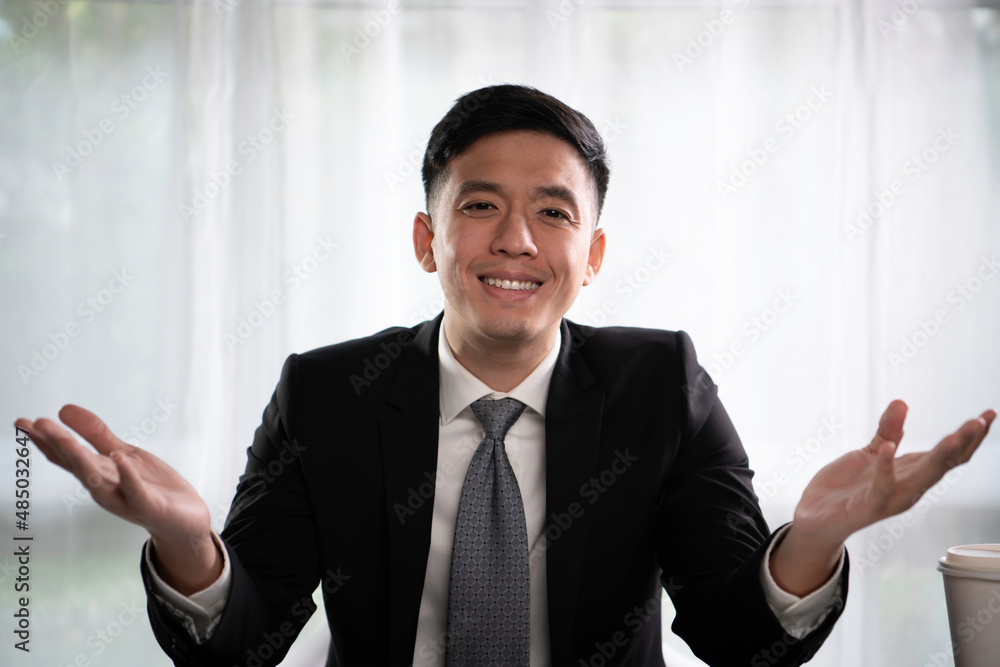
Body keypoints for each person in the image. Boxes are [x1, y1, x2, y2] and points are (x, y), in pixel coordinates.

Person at [16, 84, 995, 667]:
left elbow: (741, 641)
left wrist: (811, 543)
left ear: (595, 252)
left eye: (553, 213)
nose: (515, 241)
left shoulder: (660, 384)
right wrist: (190, 546)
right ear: (425, 237)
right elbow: (246, 641)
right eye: (478, 206)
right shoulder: (326, 394)